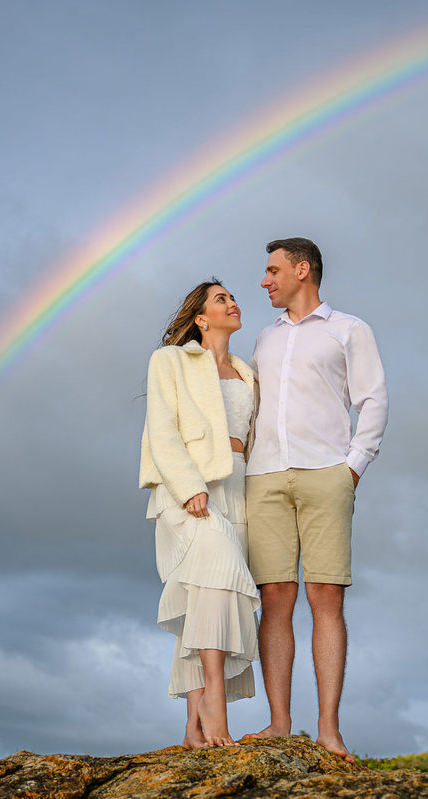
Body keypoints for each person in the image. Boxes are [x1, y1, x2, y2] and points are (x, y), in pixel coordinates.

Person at [244, 238, 388, 762]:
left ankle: (328, 728)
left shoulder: (350, 329)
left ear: (302, 270)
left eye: (272, 270)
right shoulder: (263, 337)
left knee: (325, 597)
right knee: (274, 598)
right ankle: (280, 724)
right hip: (263, 476)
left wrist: (352, 467)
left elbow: (372, 399)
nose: (265, 280)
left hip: (327, 473)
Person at [139, 279, 260, 748]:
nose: (233, 302)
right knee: (217, 578)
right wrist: (189, 487)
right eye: (221, 299)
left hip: (239, 488)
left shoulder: (248, 373)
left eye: (233, 296)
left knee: (208, 599)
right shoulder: (170, 360)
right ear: (201, 318)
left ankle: (192, 728)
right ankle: (214, 707)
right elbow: (162, 429)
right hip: (188, 487)